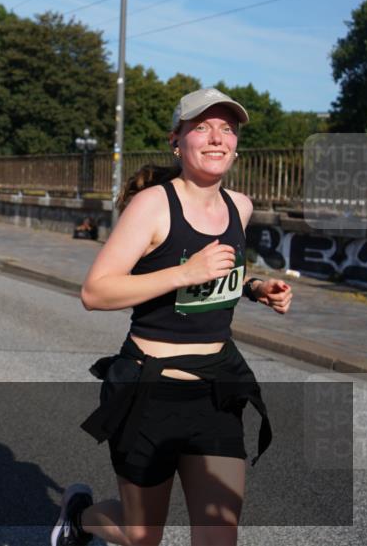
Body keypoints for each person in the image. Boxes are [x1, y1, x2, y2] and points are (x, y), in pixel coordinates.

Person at [52, 88, 294, 546]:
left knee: (219, 536)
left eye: (227, 128)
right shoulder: (153, 206)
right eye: (201, 127)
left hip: (216, 388)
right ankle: (80, 519)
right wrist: (184, 272)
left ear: (237, 142)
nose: (216, 137)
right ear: (176, 141)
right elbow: (95, 291)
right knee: (142, 535)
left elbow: (222, 272)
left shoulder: (239, 207)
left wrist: (257, 287)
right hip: (150, 387)